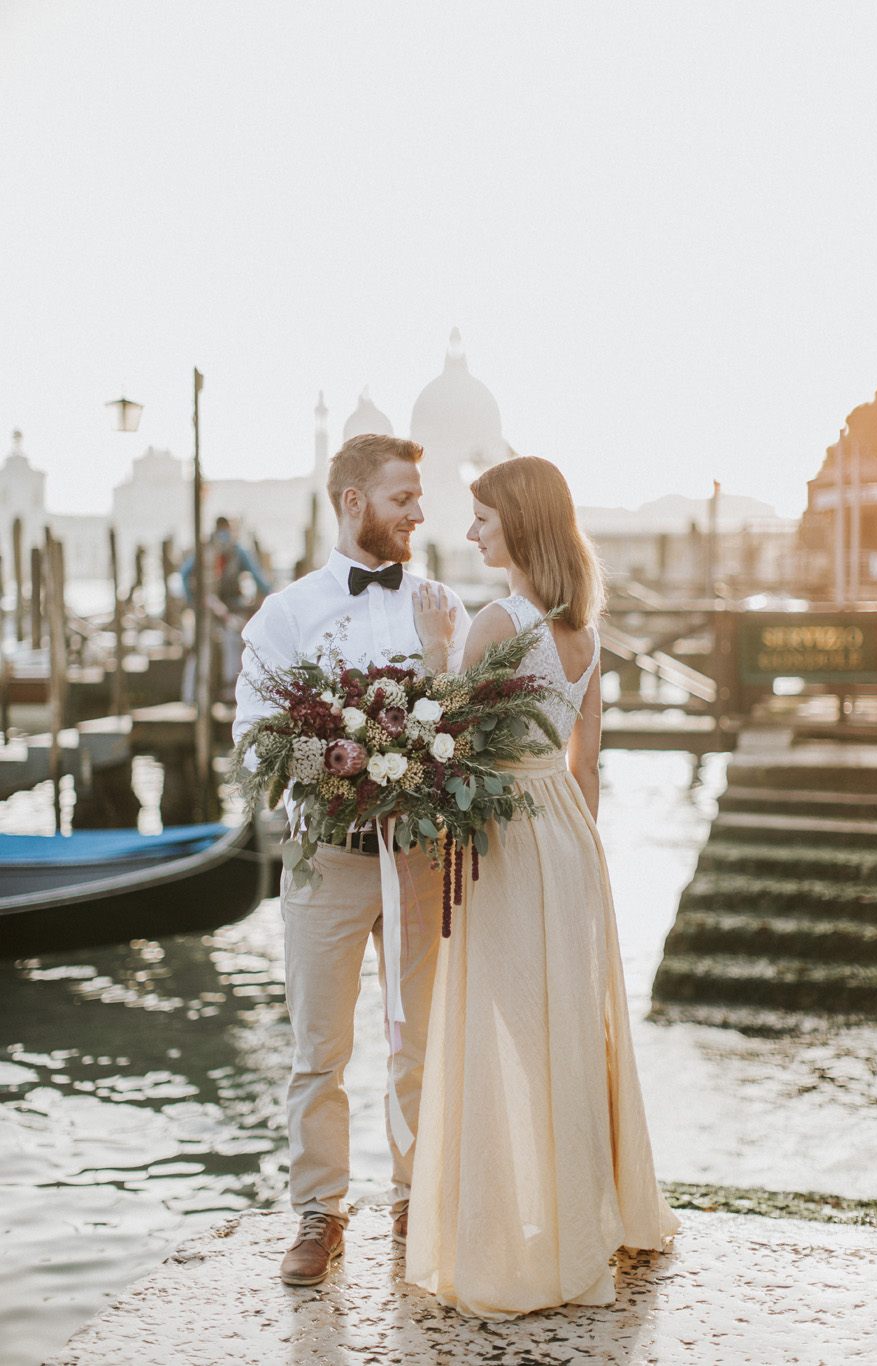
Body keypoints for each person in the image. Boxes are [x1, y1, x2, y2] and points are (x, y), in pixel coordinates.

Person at [406, 456, 679, 1319]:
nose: (469, 530)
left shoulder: (494, 622)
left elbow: (444, 742)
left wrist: (430, 649)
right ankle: (581, 1217)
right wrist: (581, 859)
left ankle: (511, 1236)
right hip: (567, 836)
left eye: (481, 516)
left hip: (507, 837)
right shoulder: (584, 634)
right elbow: (585, 765)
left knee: (501, 1037)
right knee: (565, 1031)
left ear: (517, 523)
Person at [233, 434, 470, 1287]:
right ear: (352, 502)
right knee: (317, 1049)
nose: (417, 511)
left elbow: (471, 728)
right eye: (402, 496)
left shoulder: (443, 603)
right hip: (326, 860)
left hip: (420, 858)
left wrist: (440, 682)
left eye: (418, 496)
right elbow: (253, 736)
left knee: (420, 1043)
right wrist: (333, 764)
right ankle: (319, 1213)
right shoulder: (286, 613)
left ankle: (416, 1198)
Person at [181, 516, 272, 697]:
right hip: (218, 607)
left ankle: (194, 695)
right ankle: (228, 690)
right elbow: (259, 577)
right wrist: (271, 597)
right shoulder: (234, 550)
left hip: (218, 607)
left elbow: (184, 575)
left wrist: (192, 600)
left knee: (204, 649)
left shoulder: (215, 550)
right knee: (227, 643)